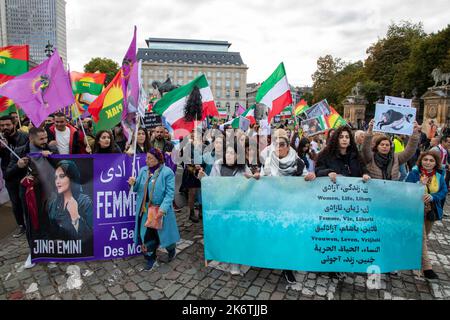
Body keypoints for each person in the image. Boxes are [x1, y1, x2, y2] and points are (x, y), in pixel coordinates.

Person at [260, 129, 316, 284]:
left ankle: (288, 267)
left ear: (288, 145)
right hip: (274, 205)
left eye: (282, 143)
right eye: (276, 143)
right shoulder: (268, 161)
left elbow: (305, 176)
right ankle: (278, 261)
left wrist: (310, 176)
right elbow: (262, 179)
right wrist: (257, 178)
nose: (279, 146)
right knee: (277, 235)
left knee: (290, 235)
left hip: (292, 206)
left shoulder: (298, 161)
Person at [5, 127, 58, 268]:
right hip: (29, 194)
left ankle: (49, 251)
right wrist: (18, 166)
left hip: (47, 192)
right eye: (41, 139)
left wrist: (51, 157)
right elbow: (8, 175)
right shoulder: (19, 151)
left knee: (48, 221)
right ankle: (34, 252)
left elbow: (61, 167)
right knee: (31, 222)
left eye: (46, 137)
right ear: (31, 139)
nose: (45, 141)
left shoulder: (51, 148)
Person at [128, 148, 180, 271]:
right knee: (146, 235)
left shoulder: (167, 172)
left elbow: (169, 194)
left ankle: (171, 249)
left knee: (164, 235)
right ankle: (150, 257)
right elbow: (136, 189)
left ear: (158, 159)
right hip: (145, 209)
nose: (146, 160)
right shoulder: (143, 171)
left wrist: (163, 209)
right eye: (147, 157)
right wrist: (133, 183)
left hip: (160, 209)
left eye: (150, 158)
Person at [406, 151, 447, 280]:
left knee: (424, 237)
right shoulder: (414, 173)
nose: (428, 162)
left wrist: (433, 197)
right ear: (421, 161)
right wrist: (420, 185)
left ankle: (413, 254)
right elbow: (406, 189)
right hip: (415, 210)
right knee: (421, 238)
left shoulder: (439, 175)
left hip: (431, 212)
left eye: (431, 160)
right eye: (425, 160)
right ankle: (427, 268)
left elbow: (443, 191)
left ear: (435, 163)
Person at [47, 160, 93, 255]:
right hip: (58, 251)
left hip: (80, 251)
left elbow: (91, 237)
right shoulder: (53, 203)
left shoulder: (85, 202)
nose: (57, 182)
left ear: (72, 178)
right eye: (56, 178)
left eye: (62, 176)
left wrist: (75, 217)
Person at [0, 115, 29, 237]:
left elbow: (29, 153)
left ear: (14, 124)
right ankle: (21, 226)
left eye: (7, 125)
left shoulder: (23, 137)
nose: (4, 127)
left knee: (26, 202)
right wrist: (2, 149)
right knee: (15, 203)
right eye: (2, 125)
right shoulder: (1, 140)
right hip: (10, 175)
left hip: (24, 175)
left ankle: (31, 225)